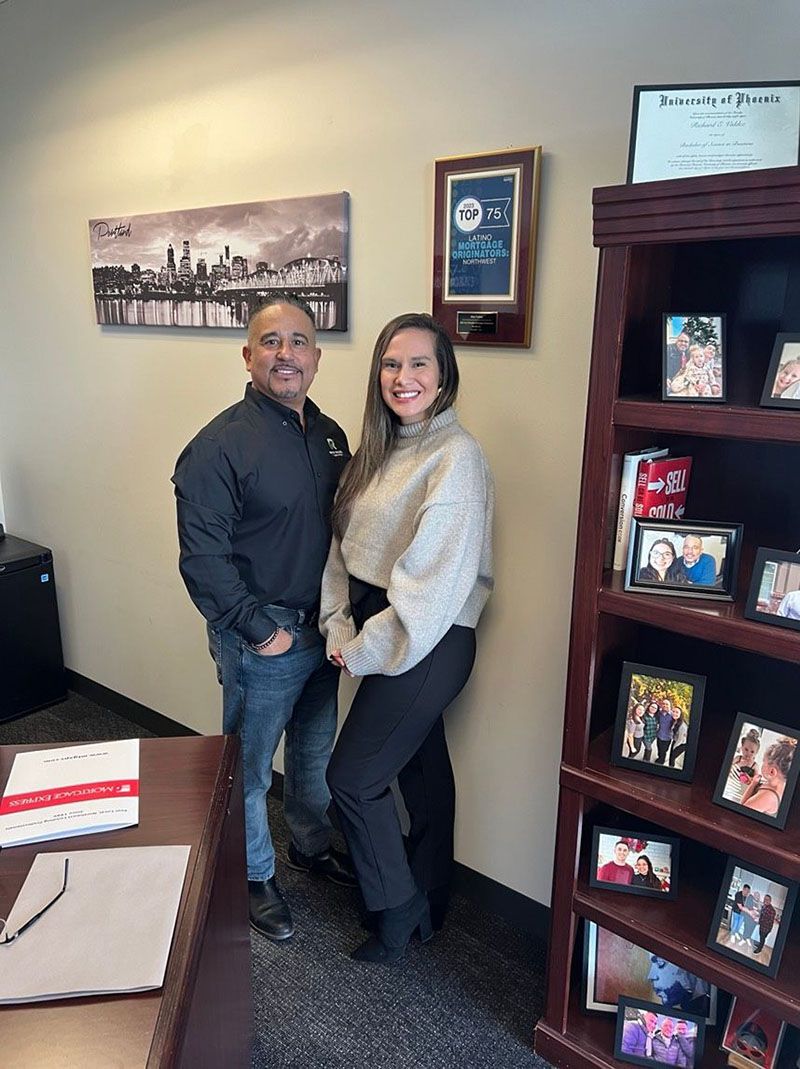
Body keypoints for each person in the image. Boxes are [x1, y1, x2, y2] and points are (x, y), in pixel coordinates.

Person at [172, 294, 356, 943]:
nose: (287, 354)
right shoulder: (218, 446)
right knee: (249, 766)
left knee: (312, 750)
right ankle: (252, 873)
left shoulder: (331, 435)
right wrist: (259, 630)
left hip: (321, 629)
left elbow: (344, 533)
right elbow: (202, 559)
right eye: (271, 343)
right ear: (248, 356)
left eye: (299, 341)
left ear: (317, 357)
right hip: (264, 637)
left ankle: (309, 843)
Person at [319, 312, 494, 962]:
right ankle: (430, 896)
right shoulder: (377, 449)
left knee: (352, 777)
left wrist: (360, 649)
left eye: (419, 362)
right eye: (392, 363)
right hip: (379, 627)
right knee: (419, 769)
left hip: (429, 638)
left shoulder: (457, 458)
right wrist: (337, 622)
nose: (403, 376)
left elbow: (427, 591)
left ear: (444, 375)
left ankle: (396, 912)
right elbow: (339, 548)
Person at [741, 737, 796, 817]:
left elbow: (741, 811)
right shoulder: (774, 784)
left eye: (764, 761)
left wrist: (752, 785)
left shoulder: (768, 796)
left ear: (772, 771)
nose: (762, 763)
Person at [724, 728, 761, 805]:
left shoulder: (755, 765)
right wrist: (740, 764)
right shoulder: (738, 758)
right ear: (742, 747)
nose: (748, 753)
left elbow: (756, 781)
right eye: (746, 749)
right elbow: (727, 770)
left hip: (744, 791)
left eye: (752, 751)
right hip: (732, 786)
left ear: (756, 753)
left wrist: (749, 779)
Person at [655, 699, 675, 764]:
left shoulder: (673, 715)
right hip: (659, 736)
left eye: (667, 704)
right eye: (663, 704)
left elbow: (680, 722)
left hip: (667, 737)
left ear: (670, 706)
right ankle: (659, 758)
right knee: (659, 750)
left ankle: (660, 763)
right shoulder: (659, 713)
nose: (665, 705)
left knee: (663, 752)